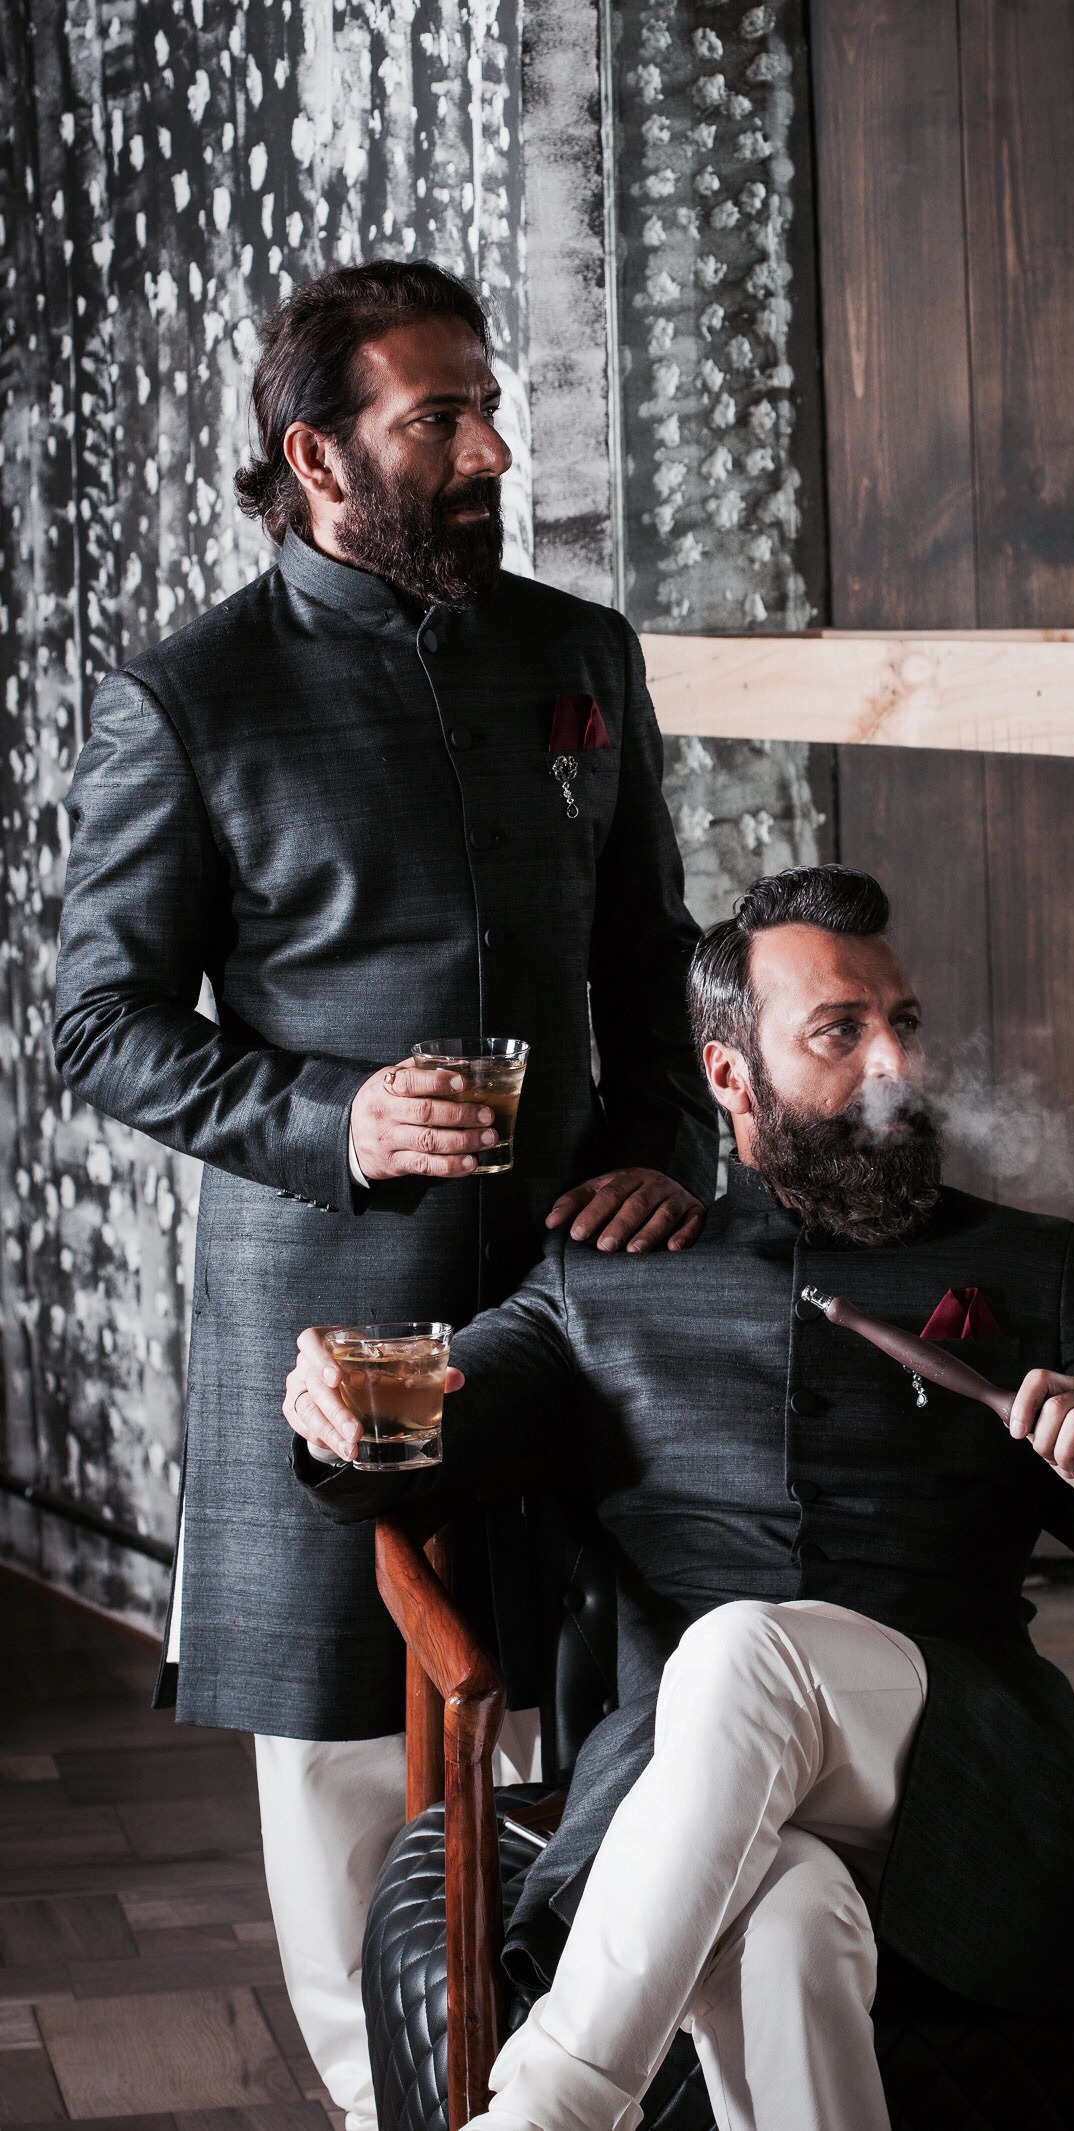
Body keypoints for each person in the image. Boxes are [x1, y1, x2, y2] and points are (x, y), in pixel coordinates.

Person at [284, 864, 1074, 2131]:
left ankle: (546, 2111)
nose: (892, 1065)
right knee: (792, 1914)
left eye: (902, 1022)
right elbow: (408, 1439)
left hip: (963, 1776)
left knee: (745, 1650)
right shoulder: (606, 1279)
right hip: (682, 1792)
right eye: (838, 1032)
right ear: (727, 1075)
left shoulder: (1031, 1264)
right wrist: (336, 1411)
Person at [52, 259, 716, 2131]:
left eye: (488, 406)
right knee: (351, 1745)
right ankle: (386, 2106)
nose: (493, 449)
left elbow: (650, 956)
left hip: (586, 1291)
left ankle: (590, 2086)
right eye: (441, 418)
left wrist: (668, 1151)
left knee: (609, 1695)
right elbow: (98, 1024)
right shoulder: (188, 697)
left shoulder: (581, 656)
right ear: (319, 455)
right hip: (330, 1309)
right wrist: (337, 1118)